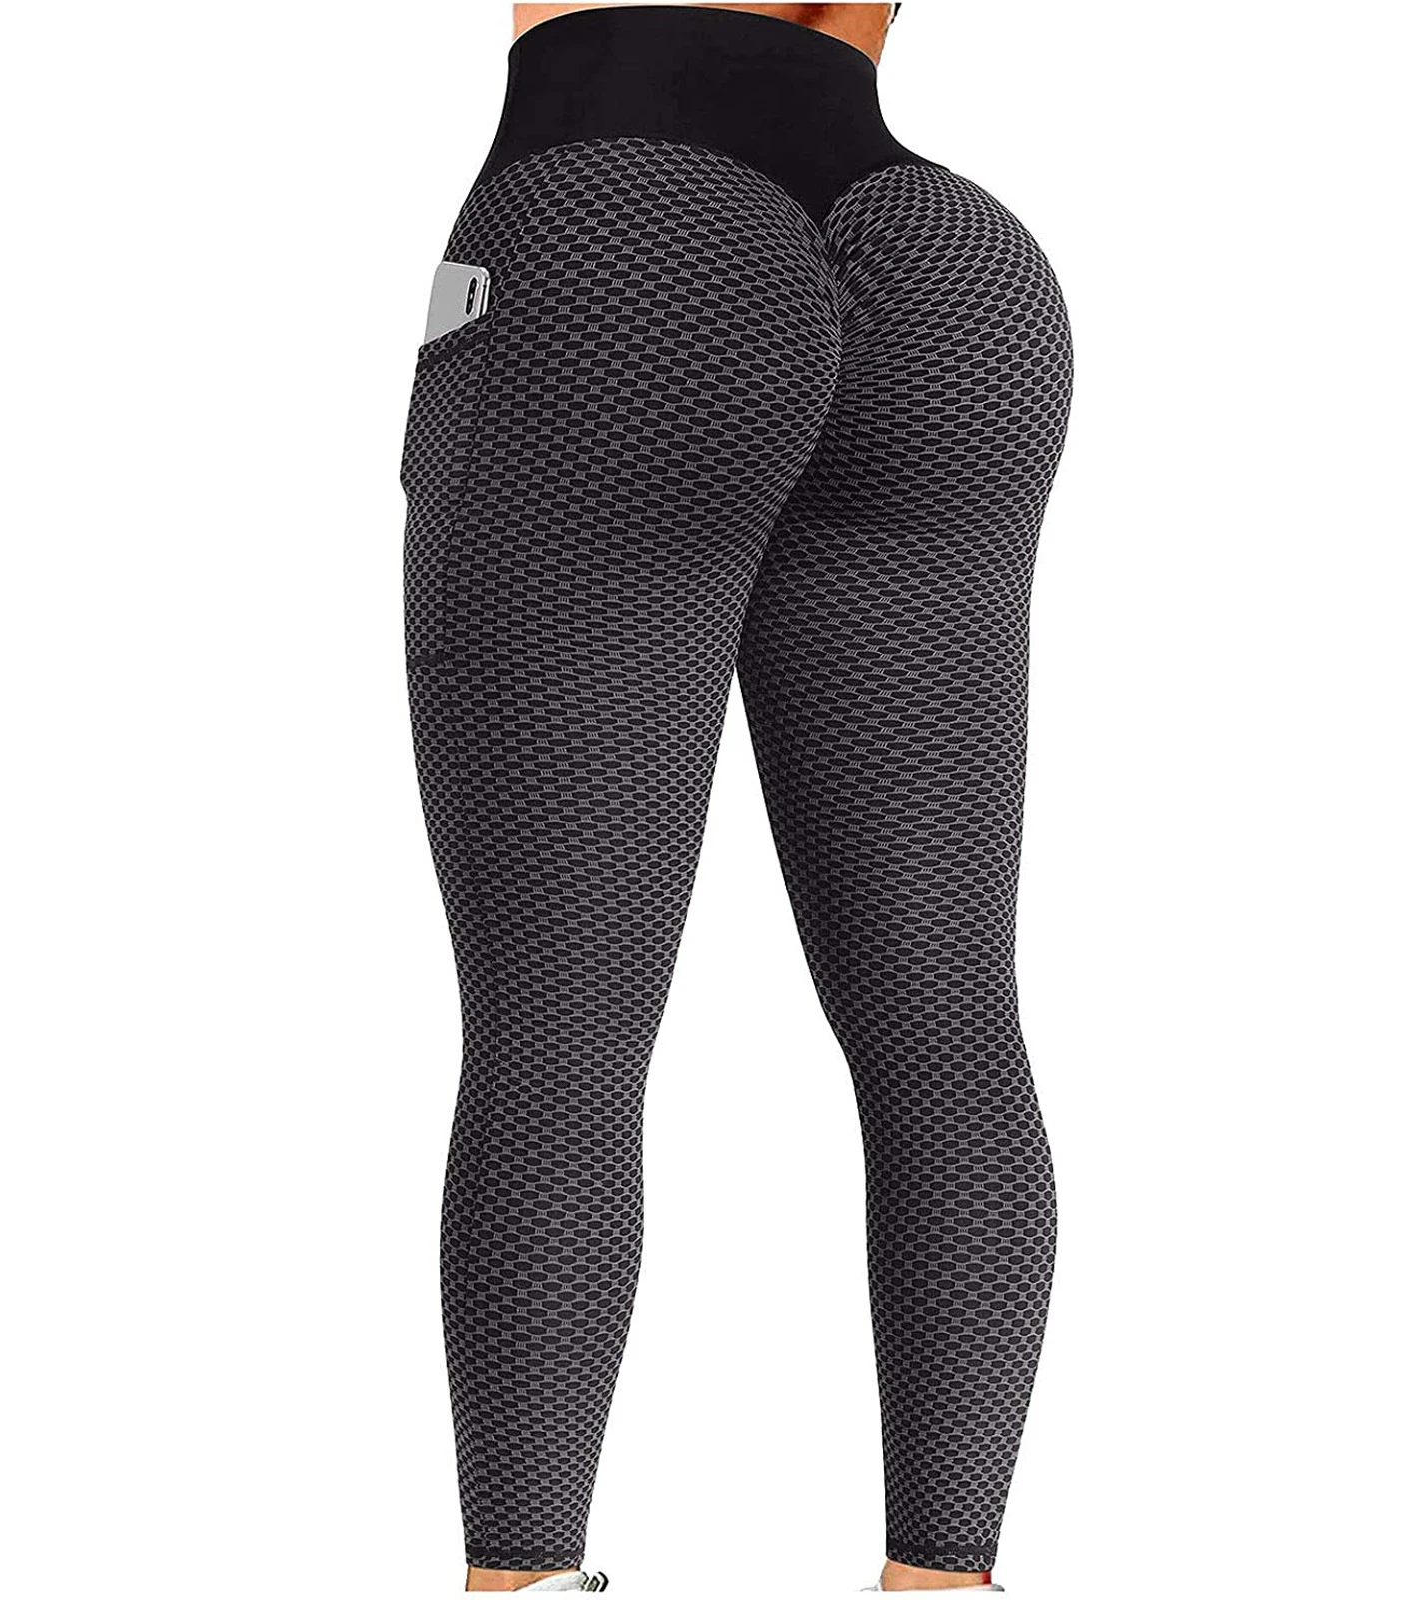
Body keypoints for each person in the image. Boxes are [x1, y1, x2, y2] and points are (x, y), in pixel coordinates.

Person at [398, 3, 1071, 1590]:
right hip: (947, 267)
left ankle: (521, 1580)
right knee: (949, 1021)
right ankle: (946, 1578)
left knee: (557, 1029)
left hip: (623, 231)